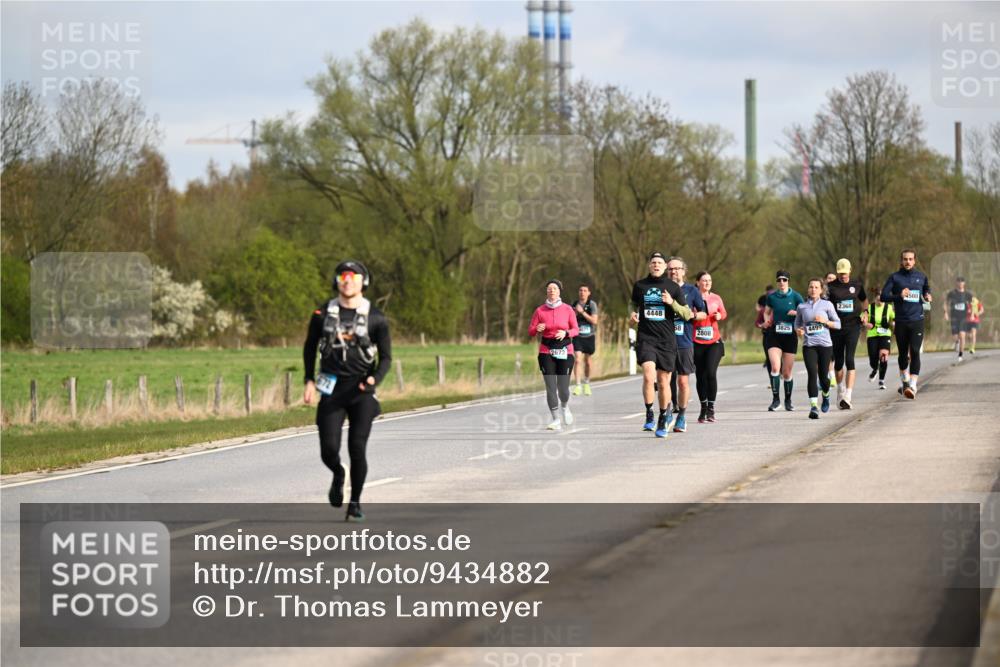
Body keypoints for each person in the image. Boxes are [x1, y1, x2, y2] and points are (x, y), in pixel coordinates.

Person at [304, 260, 392, 523]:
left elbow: (386, 357)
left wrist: (375, 380)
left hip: (361, 392)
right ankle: (338, 474)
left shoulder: (376, 317)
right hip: (331, 390)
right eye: (343, 276)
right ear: (337, 281)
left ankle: (354, 504)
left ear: (363, 282)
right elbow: (309, 348)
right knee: (328, 449)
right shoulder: (322, 314)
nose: (347, 280)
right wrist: (308, 380)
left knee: (357, 447)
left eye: (353, 276)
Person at [630, 252, 690, 438]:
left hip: (667, 340)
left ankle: (663, 417)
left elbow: (687, 314)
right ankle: (649, 412)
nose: (656, 265)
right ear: (649, 265)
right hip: (646, 338)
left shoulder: (672, 287)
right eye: (653, 262)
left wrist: (671, 303)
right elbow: (633, 305)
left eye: (660, 263)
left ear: (665, 267)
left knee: (664, 382)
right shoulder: (640, 286)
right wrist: (632, 314)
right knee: (649, 376)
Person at [529, 280, 580, 431]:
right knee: (550, 387)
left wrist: (566, 333)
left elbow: (576, 329)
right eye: (549, 289)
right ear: (547, 292)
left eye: (555, 288)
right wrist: (537, 328)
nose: (552, 291)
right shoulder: (540, 311)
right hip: (546, 350)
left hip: (565, 349)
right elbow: (531, 331)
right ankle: (555, 419)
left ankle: (564, 407)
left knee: (563, 388)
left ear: (559, 292)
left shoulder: (568, 309)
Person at [881, 248, 932, 399]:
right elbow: (884, 296)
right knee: (903, 354)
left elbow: (926, 290)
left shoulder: (921, 277)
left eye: (910, 259)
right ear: (901, 261)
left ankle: (913, 385)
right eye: (905, 259)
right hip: (901, 321)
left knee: (915, 351)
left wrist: (928, 295)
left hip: (917, 320)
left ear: (914, 261)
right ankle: (905, 381)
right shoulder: (895, 278)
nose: (907, 262)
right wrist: (899, 296)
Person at [665, 257, 707, 432]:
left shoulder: (692, 290)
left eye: (677, 268)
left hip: (684, 341)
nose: (673, 271)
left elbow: (704, 313)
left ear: (684, 271)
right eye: (670, 269)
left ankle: (681, 416)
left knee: (682, 382)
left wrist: (693, 316)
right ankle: (666, 413)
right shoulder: (661, 289)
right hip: (664, 342)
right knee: (664, 381)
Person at [795, 278, 841, 419]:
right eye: (811, 287)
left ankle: (826, 395)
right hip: (809, 345)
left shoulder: (827, 305)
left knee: (824, 378)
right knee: (812, 374)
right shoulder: (802, 307)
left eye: (816, 287)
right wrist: (799, 331)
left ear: (821, 290)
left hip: (825, 345)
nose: (813, 289)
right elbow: (796, 324)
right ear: (808, 289)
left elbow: (838, 324)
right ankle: (814, 406)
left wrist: (825, 322)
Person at [826, 258, 868, 409]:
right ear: (837, 272)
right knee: (838, 362)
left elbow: (864, 300)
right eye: (840, 273)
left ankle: (848, 396)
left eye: (845, 273)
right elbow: (823, 304)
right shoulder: (830, 287)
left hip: (853, 325)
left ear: (850, 271)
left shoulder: (856, 285)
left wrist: (865, 312)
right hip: (836, 327)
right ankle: (840, 390)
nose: (843, 275)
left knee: (849, 359)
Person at [763, 270, 805, 411]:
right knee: (775, 367)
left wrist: (797, 313)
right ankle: (776, 401)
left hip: (790, 336)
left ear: (788, 281)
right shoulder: (772, 297)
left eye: (784, 280)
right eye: (779, 280)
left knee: (786, 372)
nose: (782, 282)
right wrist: (766, 321)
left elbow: (805, 312)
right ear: (776, 281)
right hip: (774, 335)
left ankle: (788, 400)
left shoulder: (796, 296)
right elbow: (766, 312)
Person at [692, 271, 727, 423]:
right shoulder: (692, 297)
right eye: (704, 280)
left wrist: (719, 316)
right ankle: (703, 407)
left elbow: (723, 313)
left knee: (711, 373)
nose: (707, 283)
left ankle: (711, 409)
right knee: (700, 375)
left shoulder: (716, 298)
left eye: (709, 280)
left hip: (714, 341)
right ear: (698, 282)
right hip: (696, 341)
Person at [571, 284, 599, 396]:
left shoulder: (592, 305)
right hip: (577, 336)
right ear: (578, 292)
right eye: (580, 290)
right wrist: (575, 313)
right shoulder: (574, 304)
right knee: (577, 360)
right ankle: (577, 385)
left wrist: (582, 312)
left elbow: (594, 321)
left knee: (587, 361)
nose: (582, 292)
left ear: (589, 293)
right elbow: (569, 319)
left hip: (589, 336)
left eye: (585, 290)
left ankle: (586, 383)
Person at [866, 294, 894, 390]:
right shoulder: (870, 307)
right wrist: (866, 323)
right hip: (872, 335)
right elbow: (863, 318)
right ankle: (875, 368)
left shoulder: (889, 307)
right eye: (878, 300)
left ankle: (881, 380)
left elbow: (894, 318)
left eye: (882, 299)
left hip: (885, 334)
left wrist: (894, 323)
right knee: (873, 359)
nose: (880, 301)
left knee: (883, 356)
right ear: (875, 299)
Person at [944, 276, 973, 362]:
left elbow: (972, 305)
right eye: (959, 282)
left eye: (962, 282)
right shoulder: (952, 293)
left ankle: (960, 355)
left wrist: (972, 314)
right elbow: (946, 303)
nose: (960, 283)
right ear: (956, 283)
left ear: (964, 283)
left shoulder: (968, 294)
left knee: (962, 336)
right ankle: (957, 342)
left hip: (963, 317)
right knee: (955, 336)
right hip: (954, 317)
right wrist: (945, 313)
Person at [755, 285, 774, 381]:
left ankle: (781, 372)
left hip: (780, 336)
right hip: (767, 336)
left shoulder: (780, 308)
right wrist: (762, 325)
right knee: (769, 359)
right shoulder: (763, 310)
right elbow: (757, 323)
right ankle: (772, 379)